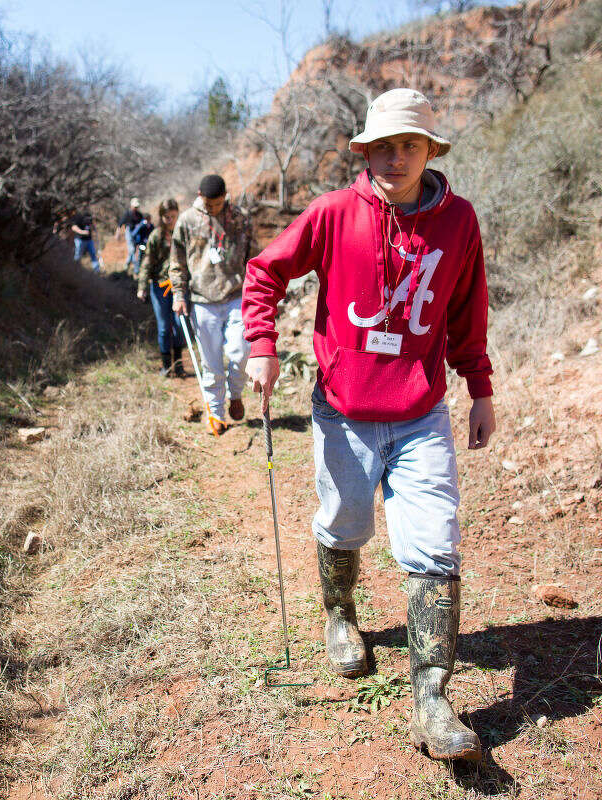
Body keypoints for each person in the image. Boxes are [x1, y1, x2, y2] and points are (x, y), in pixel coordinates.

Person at [242, 88, 496, 763]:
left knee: (434, 543)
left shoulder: (459, 220)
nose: (394, 156)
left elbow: (469, 311)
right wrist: (262, 345)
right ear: (365, 150)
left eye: (408, 144)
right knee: (344, 525)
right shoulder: (332, 214)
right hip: (344, 412)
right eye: (382, 145)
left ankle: (433, 698)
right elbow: (264, 272)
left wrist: (481, 388)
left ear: (429, 151)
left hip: (419, 413)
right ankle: (339, 615)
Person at [170, 174, 256, 436]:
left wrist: (257, 291)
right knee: (211, 361)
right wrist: (178, 294)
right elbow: (177, 261)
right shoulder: (186, 220)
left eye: (217, 204)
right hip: (202, 299)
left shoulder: (239, 218)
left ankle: (236, 393)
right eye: (209, 204)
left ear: (225, 197)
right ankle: (216, 412)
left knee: (241, 352)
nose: (213, 209)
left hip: (235, 294)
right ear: (200, 196)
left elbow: (253, 257)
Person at [137, 200, 185, 377]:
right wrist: (142, 286)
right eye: (166, 217)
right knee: (164, 327)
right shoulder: (156, 236)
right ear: (161, 217)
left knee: (180, 326)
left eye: (173, 216)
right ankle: (166, 366)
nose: (170, 220)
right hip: (160, 286)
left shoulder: (183, 232)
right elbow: (147, 261)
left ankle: (178, 364)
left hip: (179, 285)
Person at [117, 197, 145, 276]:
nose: (136, 208)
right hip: (129, 232)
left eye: (137, 207)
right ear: (131, 206)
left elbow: (142, 225)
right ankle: (136, 270)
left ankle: (127, 264)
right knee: (132, 250)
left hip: (136, 234)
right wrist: (118, 233)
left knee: (134, 252)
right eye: (135, 207)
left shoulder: (139, 215)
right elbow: (120, 223)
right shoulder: (127, 214)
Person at [70, 208, 100, 273]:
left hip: (89, 240)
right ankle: (74, 269)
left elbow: (92, 226)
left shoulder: (89, 216)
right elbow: (73, 227)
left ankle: (97, 270)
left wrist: (94, 229)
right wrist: (82, 232)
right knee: (78, 254)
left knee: (93, 254)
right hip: (80, 240)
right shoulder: (78, 217)